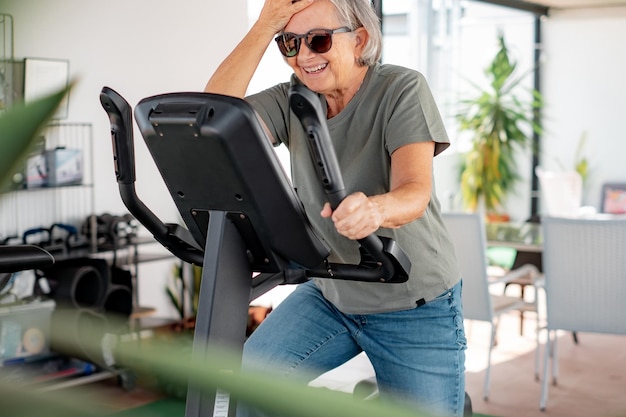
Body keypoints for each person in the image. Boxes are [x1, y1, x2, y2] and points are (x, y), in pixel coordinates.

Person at [204, 0, 466, 416]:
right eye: (289, 43)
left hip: (412, 302)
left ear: (359, 38)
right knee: (250, 386)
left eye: (318, 40)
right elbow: (212, 115)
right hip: (332, 293)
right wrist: (264, 26)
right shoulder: (292, 99)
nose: (304, 56)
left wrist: (375, 211)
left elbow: (414, 191)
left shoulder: (401, 89)